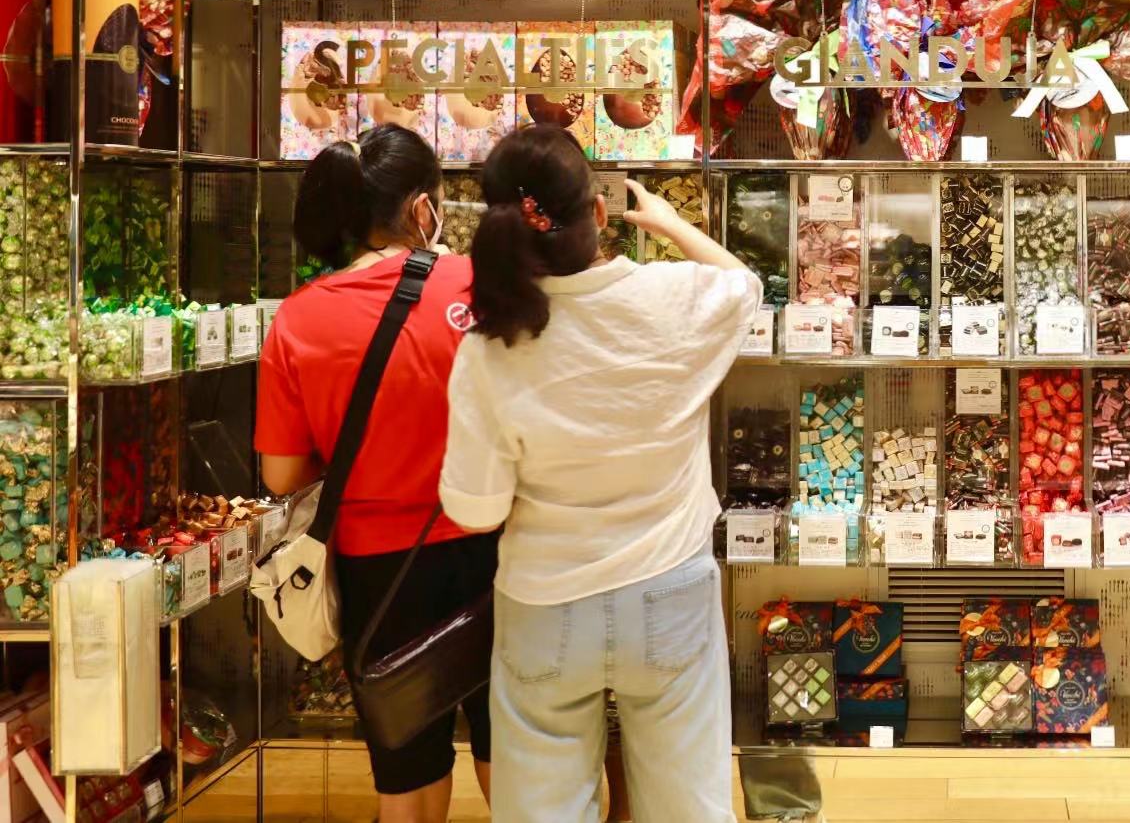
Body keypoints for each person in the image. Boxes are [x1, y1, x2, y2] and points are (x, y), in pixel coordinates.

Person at [439, 124, 759, 823]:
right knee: (688, 806)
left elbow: (476, 511)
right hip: (671, 590)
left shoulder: (489, 346)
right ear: (601, 212)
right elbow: (745, 286)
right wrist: (670, 224)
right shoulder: (673, 300)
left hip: (544, 601)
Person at [255, 125, 494, 823]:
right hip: (496, 552)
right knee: (513, 749)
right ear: (424, 209)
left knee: (407, 772)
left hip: (380, 571)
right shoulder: (477, 284)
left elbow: (281, 474)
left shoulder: (298, 319)